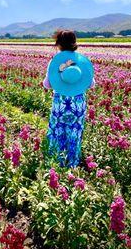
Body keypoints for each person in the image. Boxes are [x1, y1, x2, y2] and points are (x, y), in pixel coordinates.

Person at [43, 30, 95, 168]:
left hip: (60, 102)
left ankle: (56, 162)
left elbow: (47, 84)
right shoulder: (81, 61)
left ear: (59, 44)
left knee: (58, 129)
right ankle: (72, 164)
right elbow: (91, 84)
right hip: (77, 104)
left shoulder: (55, 62)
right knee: (74, 131)